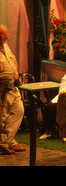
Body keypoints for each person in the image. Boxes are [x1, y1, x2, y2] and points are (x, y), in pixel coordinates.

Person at [0, 24, 25, 155]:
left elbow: (13, 59)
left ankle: (8, 141)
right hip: (3, 90)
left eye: (6, 35)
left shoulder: (5, 46)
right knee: (3, 118)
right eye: (3, 35)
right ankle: (6, 143)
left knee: (19, 111)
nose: (6, 37)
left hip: (13, 87)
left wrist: (16, 72)